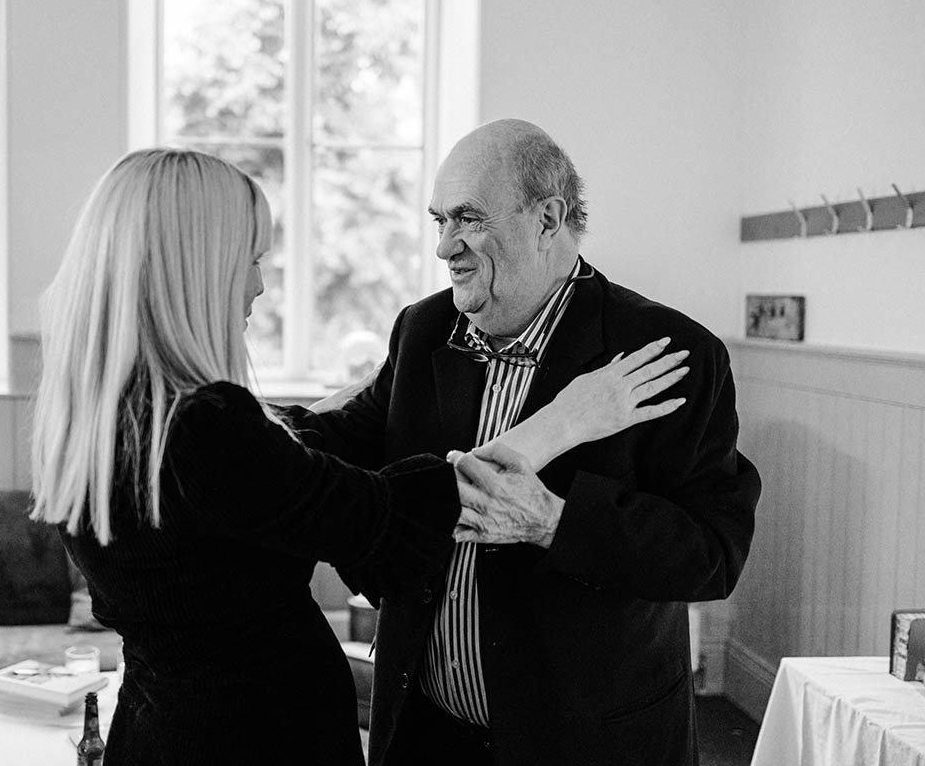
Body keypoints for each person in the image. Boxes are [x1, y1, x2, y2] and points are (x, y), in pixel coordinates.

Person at [28, 148, 689, 766]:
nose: (259, 286)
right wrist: (562, 422)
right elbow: (384, 514)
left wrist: (378, 387)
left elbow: (275, 463)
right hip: (250, 739)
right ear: (196, 270)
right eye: (252, 260)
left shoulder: (103, 412)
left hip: (162, 726)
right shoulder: (207, 427)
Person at [297, 119, 763, 766]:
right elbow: (341, 453)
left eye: (468, 219)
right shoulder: (424, 329)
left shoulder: (667, 351)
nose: (445, 248)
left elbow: (712, 553)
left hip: (587, 739)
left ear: (548, 219)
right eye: (439, 221)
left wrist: (556, 523)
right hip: (425, 733)